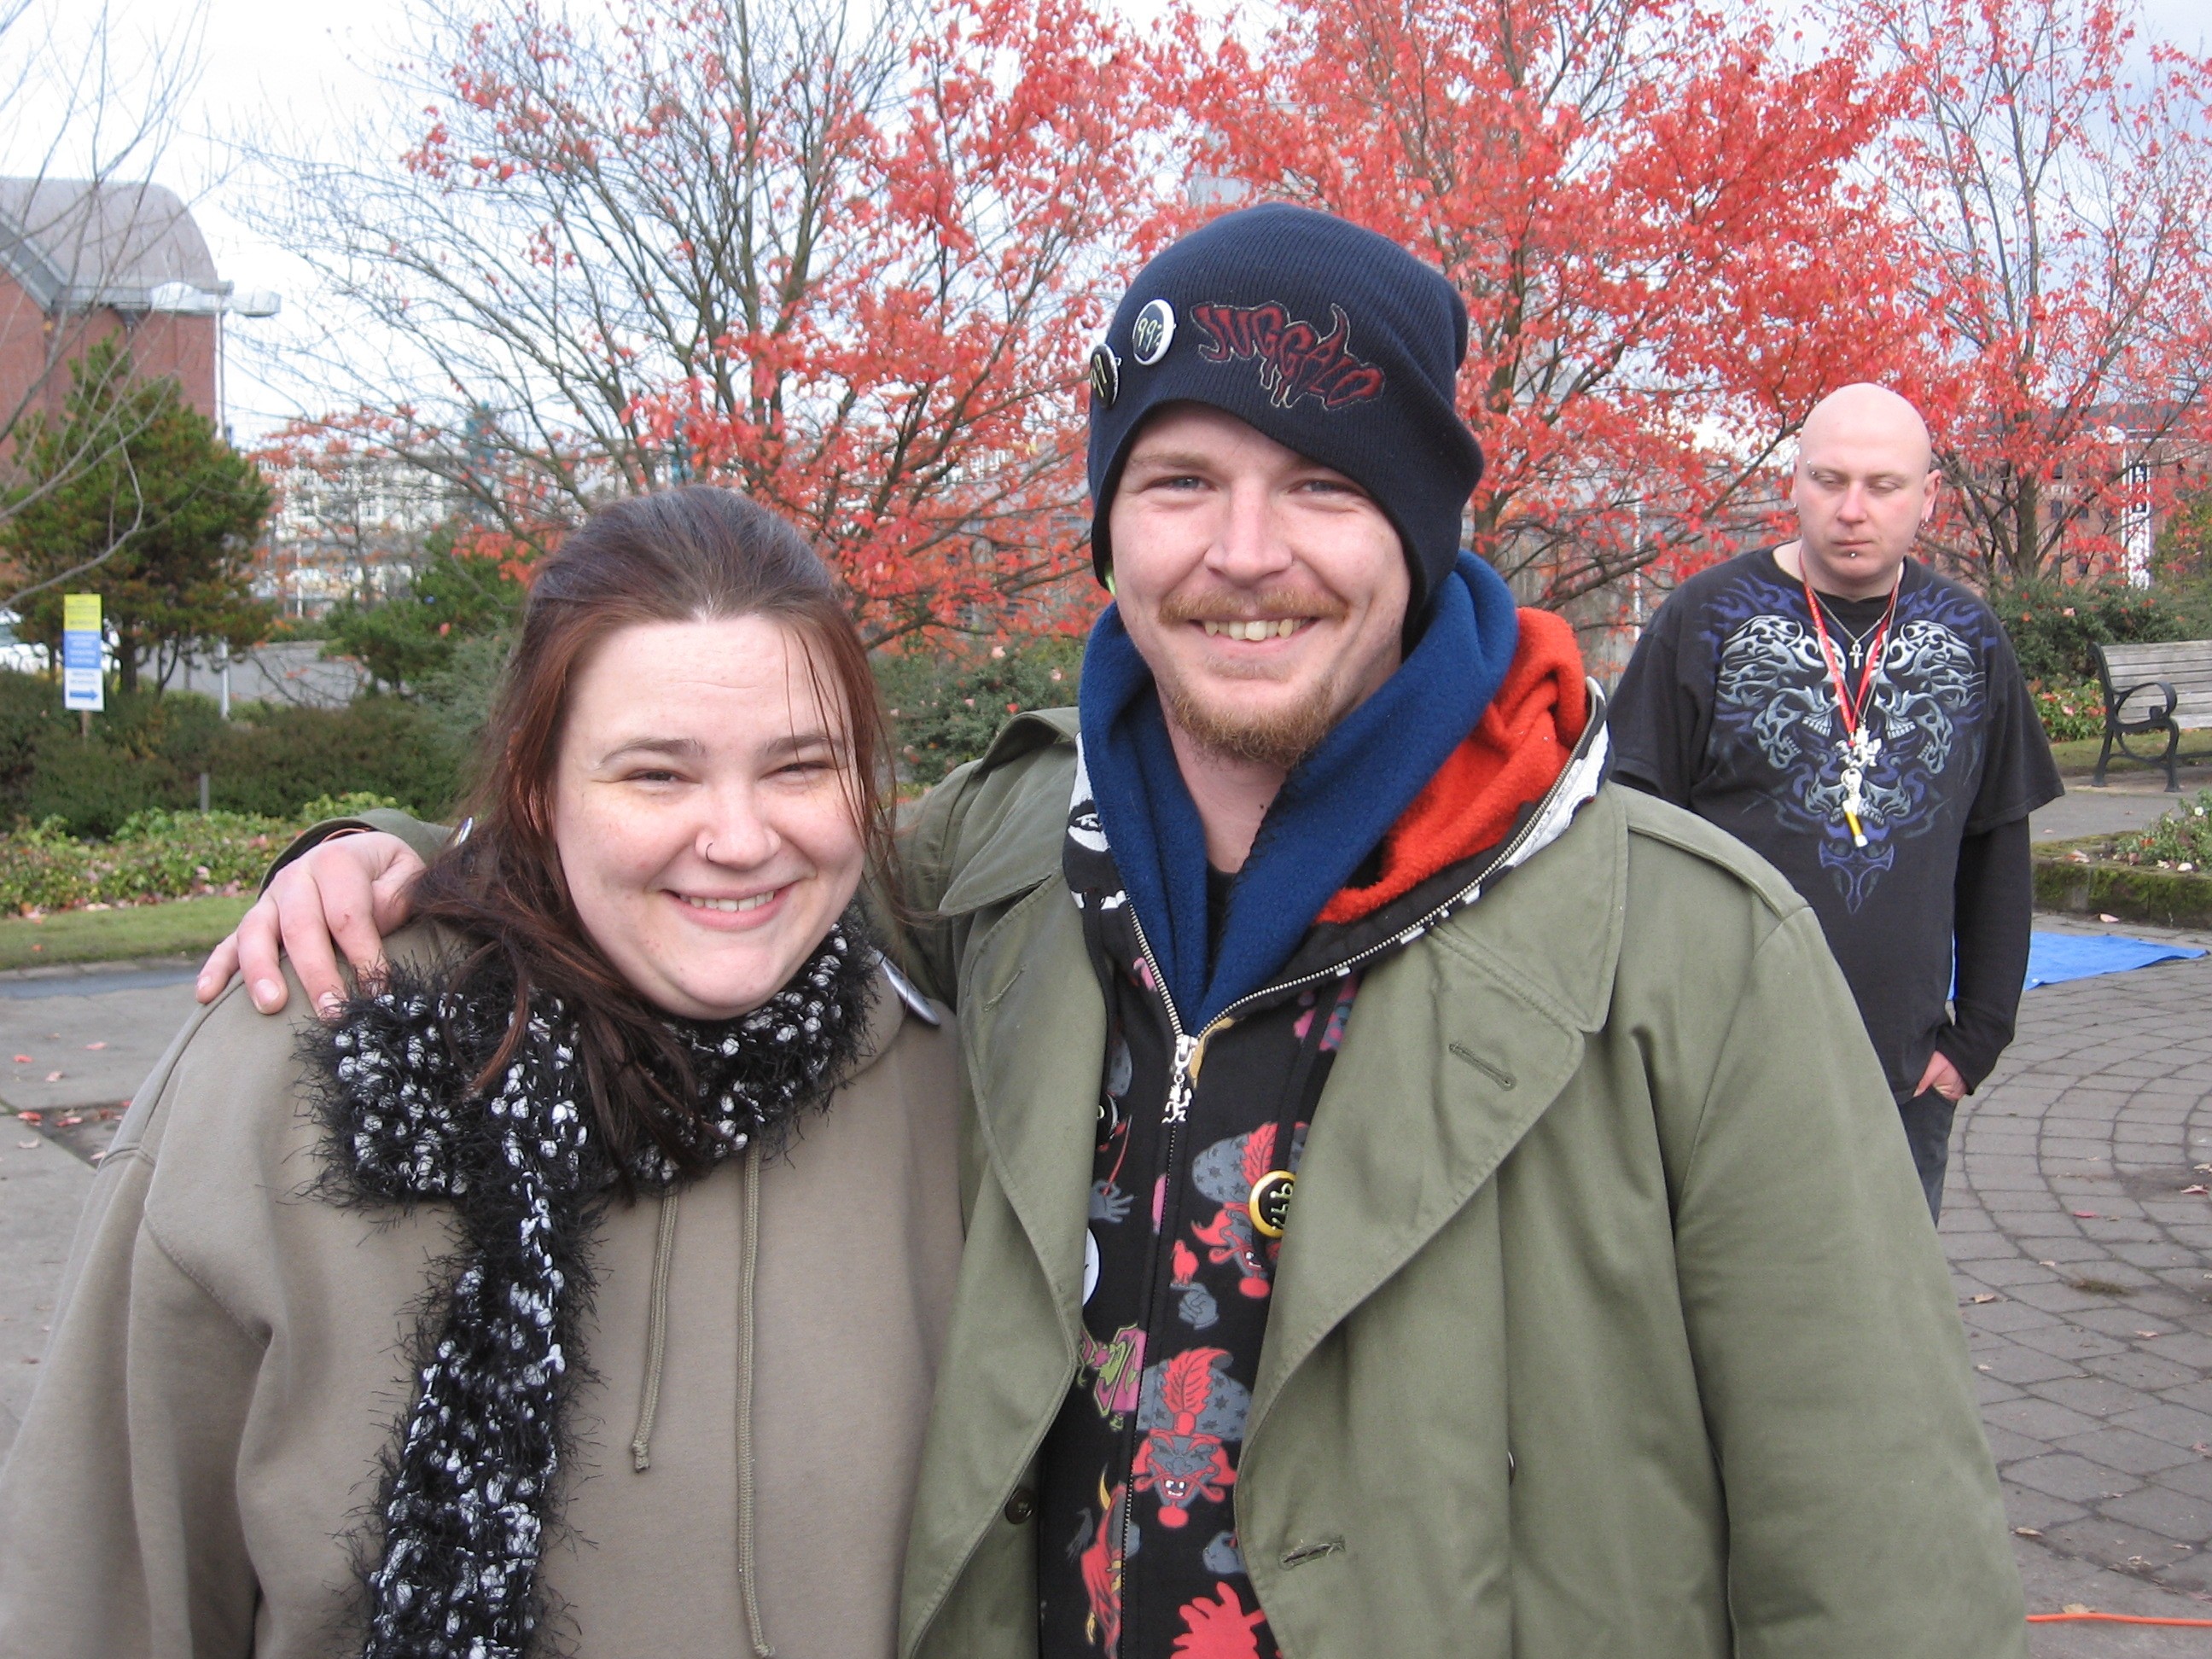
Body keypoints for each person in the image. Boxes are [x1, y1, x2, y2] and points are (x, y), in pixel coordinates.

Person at [189, 207, 2025, 1656]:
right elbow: (714, 859)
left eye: (1324, 485)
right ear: (1110, 526)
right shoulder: (999, 860)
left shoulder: (1691, 951)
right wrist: (396, 862)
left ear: (1421, 527)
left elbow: (1879, 1550)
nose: (1246, 550)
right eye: (1180, 482)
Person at [0, 489, 963, 1658]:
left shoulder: (951, 1094)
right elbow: (94, 1596)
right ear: (535, 785)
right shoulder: (297, 1066)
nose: (740, 838)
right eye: (656, 775)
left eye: (801, 766)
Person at [1608, 384, 2063, 1220]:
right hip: (1722, 1075)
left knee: (1888, 1301)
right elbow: (1628, 838)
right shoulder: (1702, 621)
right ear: (1795, 482)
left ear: (1929, 496)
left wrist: (1976, 1041)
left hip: (1903, 1081)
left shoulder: (1970, 636)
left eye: (1884, 486)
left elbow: (1996, 846)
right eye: (1830, 480)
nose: (1853, 510)